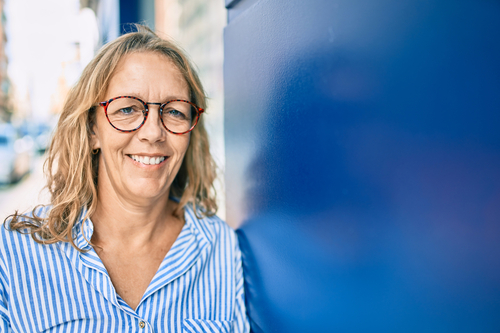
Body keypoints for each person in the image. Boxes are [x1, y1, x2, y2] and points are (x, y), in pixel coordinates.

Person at [0, 26, 249, 332]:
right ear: (93, 130)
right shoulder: (15, 253)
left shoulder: (220, 248)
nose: (153, 132)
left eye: (174, 112)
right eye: (128, 109)